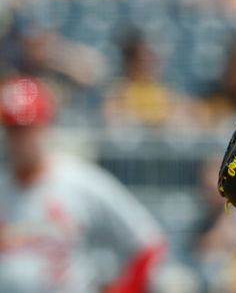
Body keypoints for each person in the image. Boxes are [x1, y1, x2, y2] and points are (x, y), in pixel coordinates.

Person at [0, 76, 165, 293]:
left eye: (27, 128)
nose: (20, 139)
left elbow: (148, 242)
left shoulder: (80, 182)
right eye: (13, 130)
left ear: (45, 126)